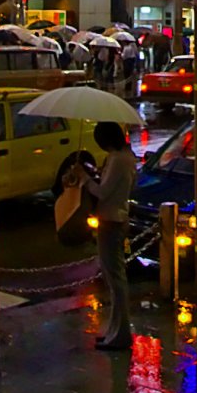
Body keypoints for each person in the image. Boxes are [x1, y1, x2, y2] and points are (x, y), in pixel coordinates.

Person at [82, 121, 136, 350]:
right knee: (115, 279)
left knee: (115, 280)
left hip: (110, 220)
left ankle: (120, 334)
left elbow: (103, 192)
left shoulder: (117, 159)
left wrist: (85, 179)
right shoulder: (128, 157)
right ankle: (115, 331)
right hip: (118, 217)